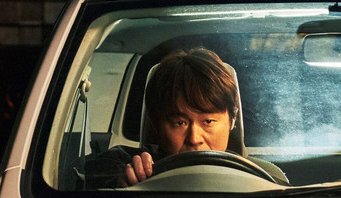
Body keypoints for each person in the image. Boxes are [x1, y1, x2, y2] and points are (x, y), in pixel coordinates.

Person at [83, 48, 287, 188]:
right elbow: (95, 176)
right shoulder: (125, 164)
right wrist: (122, 181)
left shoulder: (265, 176)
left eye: (208, 121)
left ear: (232, 120)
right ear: (156, 124)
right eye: (179, 123)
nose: (194, 138)